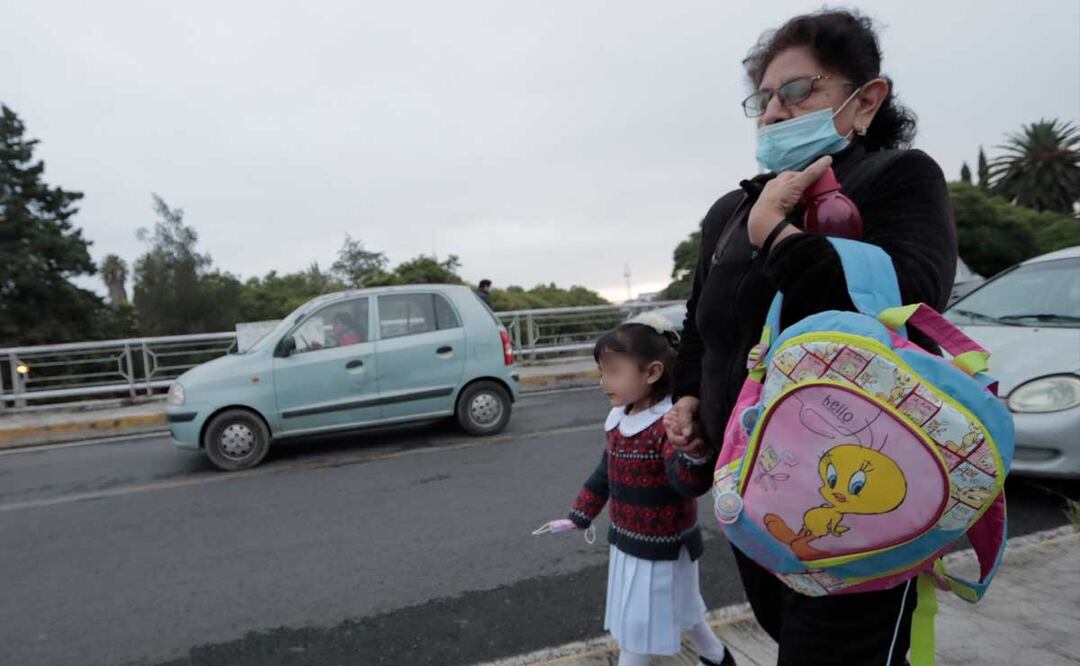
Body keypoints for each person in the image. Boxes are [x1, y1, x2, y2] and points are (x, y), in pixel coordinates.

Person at [663, 9, 956, 666]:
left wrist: (780, 235)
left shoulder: (897, 179)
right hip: (757, 494)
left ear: (867, 99)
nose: (772, 112)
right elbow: (701, 330)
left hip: (864, 499)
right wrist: (687, 399)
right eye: (762, 98)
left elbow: (907, 303)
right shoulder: (731, 211)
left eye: (797, 91)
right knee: (788, 635)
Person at [536, 317, 735, 666]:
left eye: (613, 372)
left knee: (637, 629)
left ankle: (716, 657)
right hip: (629, 541)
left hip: (663, 548)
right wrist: (579, 515)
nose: (604, 382)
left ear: (652, 372)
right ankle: (717, 657)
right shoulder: (618, 419)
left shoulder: (669, 423)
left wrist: (692, 452)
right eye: (601, 372)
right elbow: (605, 473)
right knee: (683, 608)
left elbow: (686, 484)